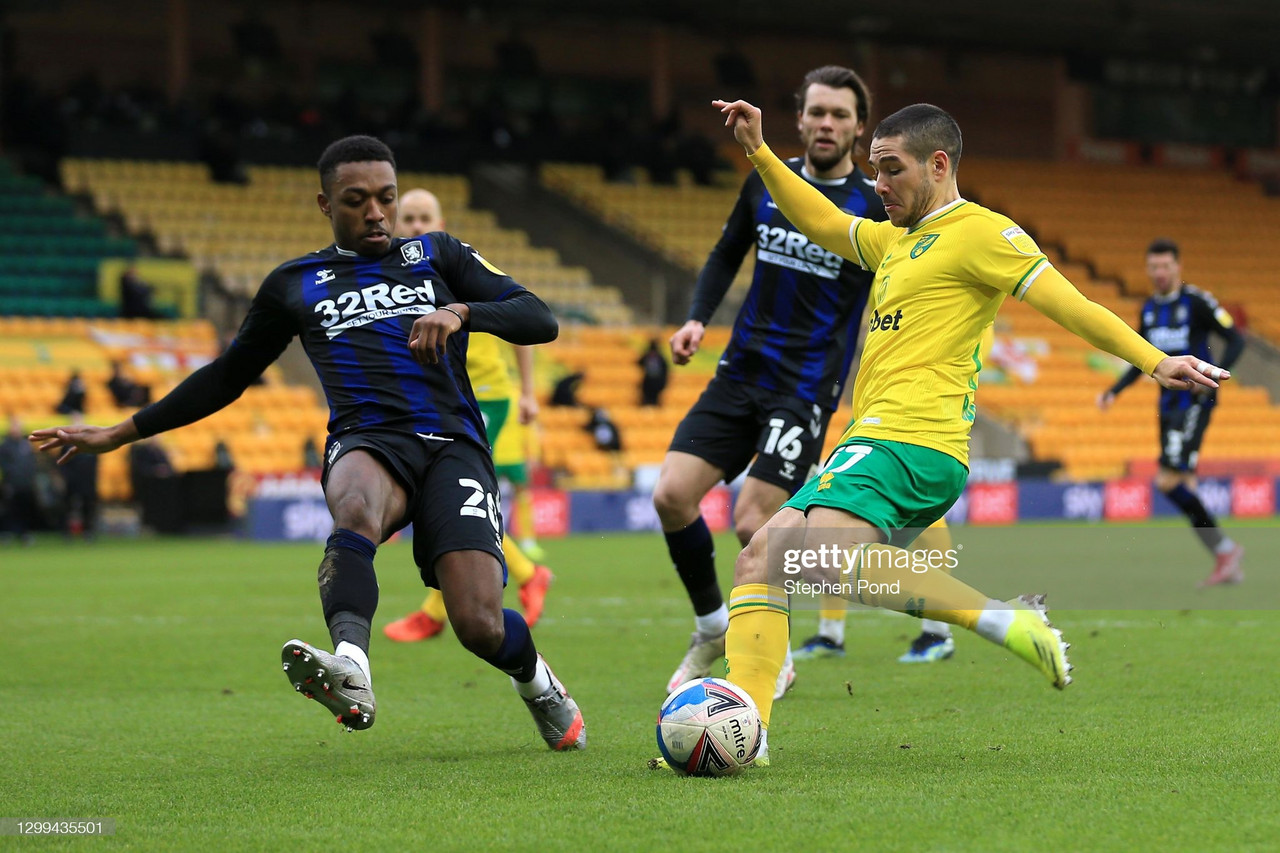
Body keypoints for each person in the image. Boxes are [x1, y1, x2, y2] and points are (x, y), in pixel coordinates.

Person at [698, 97, 1228, 766]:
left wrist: (1154, 360)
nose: (878, 184)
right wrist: (760, 151)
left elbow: (1072, 302)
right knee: (762, 558)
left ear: (939, 164)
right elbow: (826, 221)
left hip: (911, 440)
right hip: (875, 439)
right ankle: (749, 733)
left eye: (891, 169)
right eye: (873, 170)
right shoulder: (894, 239)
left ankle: (1003, 618)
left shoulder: (983, 233)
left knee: (821, 558)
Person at [32, 135, 585, 751]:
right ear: (326, 205)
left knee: (479, 625)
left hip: (453, 443)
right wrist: (120, 432)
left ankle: (539, 685)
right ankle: (351, 664)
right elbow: (226, 377)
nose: (376, 212)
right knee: (354, 505)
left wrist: (461, 313)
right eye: (357, 200)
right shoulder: (293, 284)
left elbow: (539, 317)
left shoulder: (440, 254)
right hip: (368, 438)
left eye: (386, 198)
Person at [655, 66, 941, 699]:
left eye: (840, 115)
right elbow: (728, 250)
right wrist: (698, 317)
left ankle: (770, 652)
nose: (826, 124)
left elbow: (900, 288)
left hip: (804, 387)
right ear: (801, 118)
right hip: (740, 370)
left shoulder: (876, 207)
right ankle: (711, 626)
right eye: (817, 112)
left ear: (860, 128)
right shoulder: (767, 182)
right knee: (671, 496)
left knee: (752, 519)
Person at [382, 188, 554, 643]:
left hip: (486, 396)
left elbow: (522, 322)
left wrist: (530, 392)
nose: (417, 226)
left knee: (450, 493)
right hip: (442, 401)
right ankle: (469, 594)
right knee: (440, 495)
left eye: (426, 218)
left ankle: (509, 579)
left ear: (440, 221)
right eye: (410, 218)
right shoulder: (393, 274)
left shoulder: (454, 266)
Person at [1098, 238, 1246, 586]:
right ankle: (1226, 561)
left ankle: (1225, 551)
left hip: (1194, 402)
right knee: (1183, 482)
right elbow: (1144, 359)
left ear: (1178, 267)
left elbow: (1236, 339)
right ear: (1148, 270)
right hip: (1167, 405)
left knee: (1168, 481)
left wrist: (1215, 375)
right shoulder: (1149, 309)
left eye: (1166, 266)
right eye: (1154, 267)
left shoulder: (1196, 302)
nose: (1160, 273)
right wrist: (1114, 391)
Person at [0, 415, 38, 544]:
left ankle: (24, 533)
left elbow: (31, 462)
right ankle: (7, 532)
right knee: (10, 509)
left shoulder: (26, 444)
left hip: (26, 483)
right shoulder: (5, 445)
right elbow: (4, 464)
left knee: (25, 509)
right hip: (11, 483)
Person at [638, 338, 669, 406]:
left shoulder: (648, 355)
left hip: (649, 383)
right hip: (654, 383)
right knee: (653, 400)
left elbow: (639, 362)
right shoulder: (660, 357)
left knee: (649, 400)